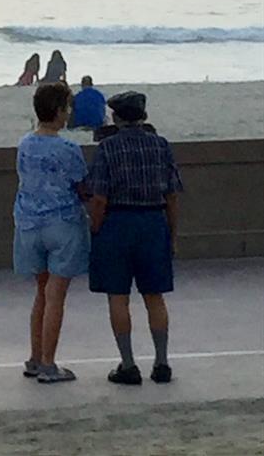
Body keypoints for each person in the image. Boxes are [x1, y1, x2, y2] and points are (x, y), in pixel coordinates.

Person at [88, 91, 183, 385]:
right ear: (143, 116)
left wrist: (95, 229)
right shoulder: (161, 145)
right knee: (155, 296)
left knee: (118, 296)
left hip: (117, 223)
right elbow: (172, 195)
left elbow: (99, 197)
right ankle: (162, 362)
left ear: (116, 117)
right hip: (153, 222)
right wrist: (172, 233)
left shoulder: (108, 148)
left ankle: (128, 365)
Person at [13, 82, 90, 383]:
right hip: (62, 223)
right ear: (59, 111)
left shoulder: (25, 143)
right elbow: (82, 186)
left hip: (29, 223)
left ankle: (35, 357)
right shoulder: (68, 149)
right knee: (56, 295)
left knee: (41, 293)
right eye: (67, 108)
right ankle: (48, 363)